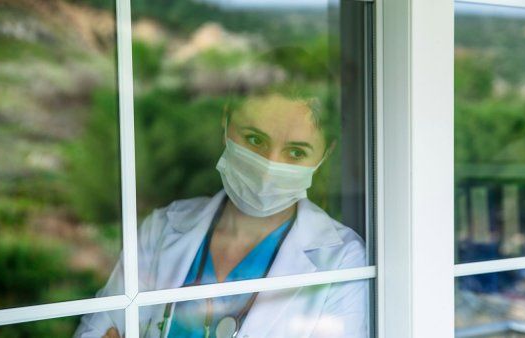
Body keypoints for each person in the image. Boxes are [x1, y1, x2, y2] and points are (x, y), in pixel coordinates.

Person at [74, 82, 368, 338]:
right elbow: (95, 331)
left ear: (326, 153)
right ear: (226, 120)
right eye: (255, 139)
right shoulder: (162, 228)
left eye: (295, 153)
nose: (268, 169)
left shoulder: (343, 261)